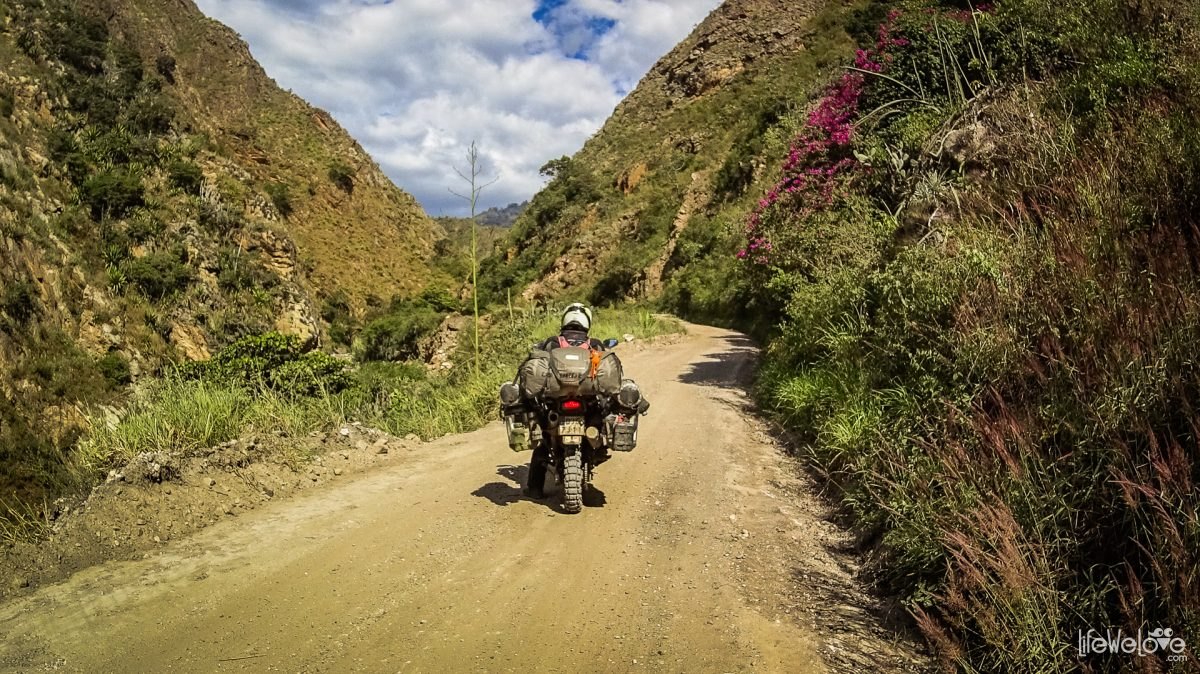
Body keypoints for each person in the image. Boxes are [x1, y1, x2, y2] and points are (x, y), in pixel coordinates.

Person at [524, 302, 605, 499]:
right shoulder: (595, 344)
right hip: (586, 400)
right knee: (600, 416)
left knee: (543, 444)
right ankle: (597, 448)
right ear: (587, 321)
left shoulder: (552, 342)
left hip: (556, 402)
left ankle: (535, 489)